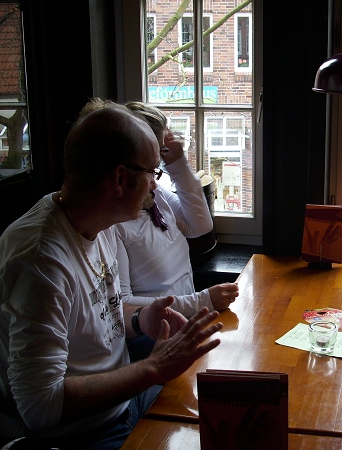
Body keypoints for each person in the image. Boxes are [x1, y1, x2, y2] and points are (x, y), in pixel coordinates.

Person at [0, 104, 223, 449]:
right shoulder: (40, 261)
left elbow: (100, 311)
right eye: (152, 172)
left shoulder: (99, 224)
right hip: (73, 436)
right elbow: (40, 407)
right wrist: (153, 368)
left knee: (219, 421)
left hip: (119, 407)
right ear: (121, 179)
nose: (155, 183)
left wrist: (141, 319)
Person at [78, 99, 239, 361]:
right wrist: (202, 301)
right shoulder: (113, 222)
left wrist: (177, 164)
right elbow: (122, 304)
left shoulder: (156, 192)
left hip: (185, 317)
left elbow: (200, 225)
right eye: (153, 165)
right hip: (151, 334)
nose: (154, 180)